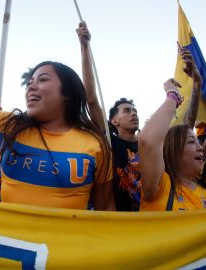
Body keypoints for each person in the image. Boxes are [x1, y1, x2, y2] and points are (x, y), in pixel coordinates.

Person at [0, 22, 113, 210]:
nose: (31, 86)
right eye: (30, 82)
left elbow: (105, 211)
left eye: (43, 79)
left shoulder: (95, 144)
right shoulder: (9, 125)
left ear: (68, 93)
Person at [138, 48, 206, 216]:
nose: (201, 148)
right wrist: (173, 95)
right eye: (191, 142)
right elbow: (148, 140)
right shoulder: (160, 186)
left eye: (197, 142)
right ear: (173, 150)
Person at [77, 22, 140, 211]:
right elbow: (91, 98)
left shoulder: (147, 145)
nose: (133, 113)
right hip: (115, 221)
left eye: (134, 110)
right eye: (126, 111)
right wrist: (84, 47)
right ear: (114, 121)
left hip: (148, 221)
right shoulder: (109, 142)